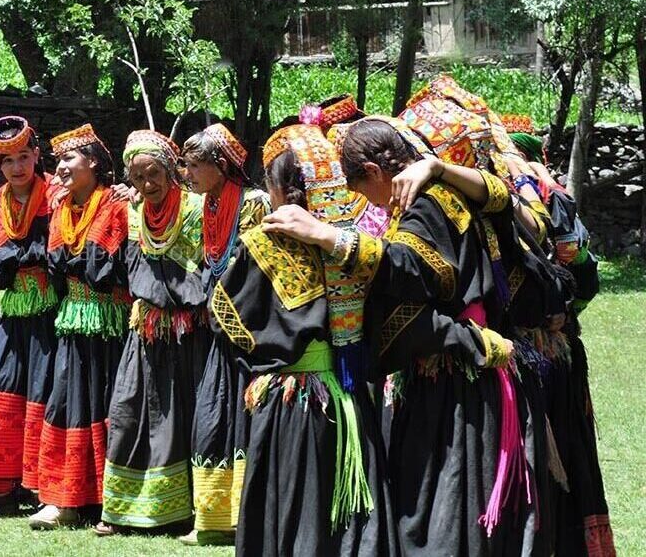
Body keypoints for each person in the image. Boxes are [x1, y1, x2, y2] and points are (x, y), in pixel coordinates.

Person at [264, 116, 549, 556]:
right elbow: (500, 195)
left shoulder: (426, 203)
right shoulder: (448, 191)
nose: (369, 203)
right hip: (470, 372)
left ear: (374, 172)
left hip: (454, 379)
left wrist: (328, 236)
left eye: (362, 190)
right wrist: (438, 166)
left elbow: (408, 269)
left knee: (440, 515)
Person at [209, 123, 396, 556]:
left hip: (293, 401)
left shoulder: (264, 243)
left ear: (278, 186)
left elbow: (226, 322)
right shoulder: (354, 244)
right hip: (349, 397)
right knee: (344, 517)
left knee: (294, 506)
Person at [502, 114, 616, 556]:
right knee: (565, 459)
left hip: (526, 358)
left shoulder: (517, 199)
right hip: (557, 353)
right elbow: (585, 281)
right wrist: (566, 316)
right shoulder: (555, 197)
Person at [95, 130, 207, 536]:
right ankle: (122, 510)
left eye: (154, 174)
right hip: (146, 329)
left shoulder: (196, 208)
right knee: (130, 413)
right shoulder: (133, 212)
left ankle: (185, 511)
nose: (146, 184)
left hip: (188, 331)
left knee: (183, 416)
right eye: (138, 177)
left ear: (172, 169)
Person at [29, 124, 131, 529]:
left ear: (94, 162)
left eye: (69, 158)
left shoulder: (117, 205)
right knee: (67, 404)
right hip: (73, 319)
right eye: (58, 160)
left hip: (110, 323)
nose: (61, 167)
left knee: (108, 404)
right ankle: (63, 501)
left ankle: (113, 503)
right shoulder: (61, 209)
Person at [0, 117, 59, 516]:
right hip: (15, 310)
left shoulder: (55, 194)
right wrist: (31, 255)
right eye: (7, 161)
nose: (17, 167)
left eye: (23, 157)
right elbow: (2, 259)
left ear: (36, 155)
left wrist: (28, 256)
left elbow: (54, 251)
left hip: (53, 310)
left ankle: (41, 488)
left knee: (43, 393)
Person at [178, 123, 269, 546]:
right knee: (213, 414)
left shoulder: (254, 203)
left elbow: (260, 267)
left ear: (221, 165)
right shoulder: (208, 206)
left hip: (249, 331)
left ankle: (243, 516)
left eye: (195, 166)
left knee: (240, 415)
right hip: (218, 329)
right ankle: (213, 517)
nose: (188, 175)